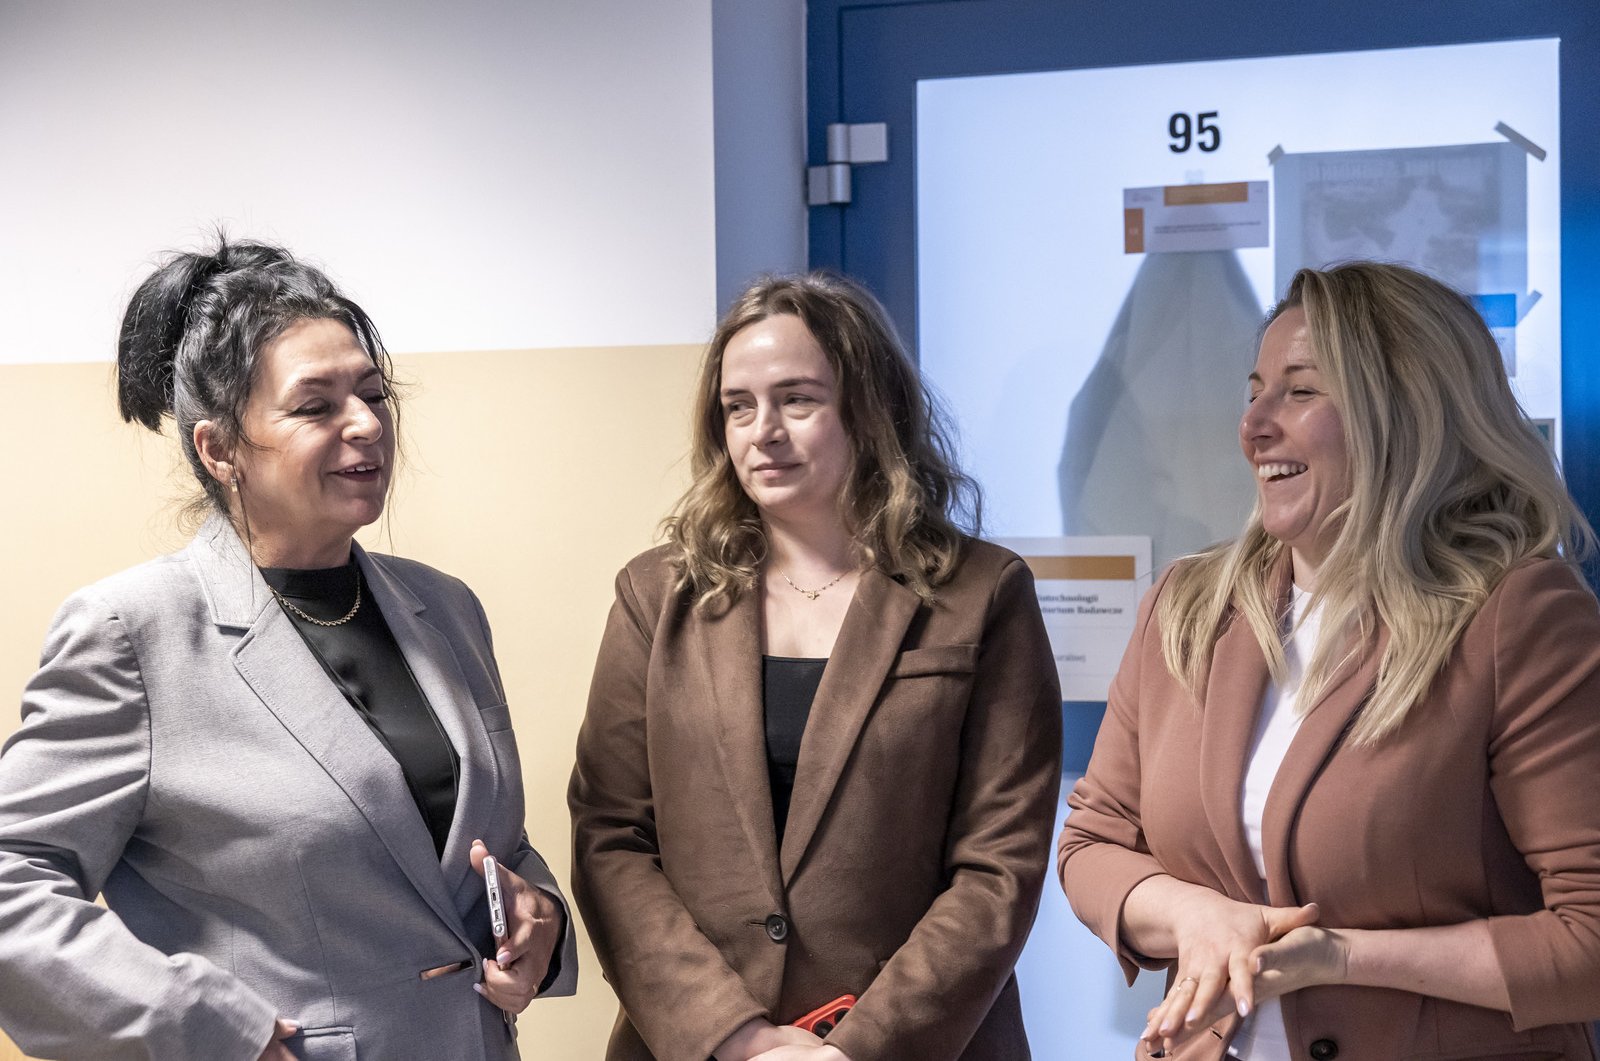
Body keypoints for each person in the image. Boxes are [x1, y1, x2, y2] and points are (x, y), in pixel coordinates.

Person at [0, 239, 577, 1061]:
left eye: (372, 394)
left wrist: (541, 918)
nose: (367, 424)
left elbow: (474, 847)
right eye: (315, 407)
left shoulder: (446, 609)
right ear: (219, 450)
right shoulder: (133, 632)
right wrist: (200, 1026)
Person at [1057, 261, 1600, 1060]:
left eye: (1300, 392)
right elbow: (1091, 845)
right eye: (1254, 392)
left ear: (1404, 413)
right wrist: (1194, 916)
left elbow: (1589, 939)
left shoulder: (1517, 616)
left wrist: (1340, 957)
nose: (1253, 425)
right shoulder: (1186, 605)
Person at [569, 272, 1063, 1061]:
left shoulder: (982, 594)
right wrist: (734, 1036)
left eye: (796, 399)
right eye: (738, 406)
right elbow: (611, 837)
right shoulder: (656, 595)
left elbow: (999, 864)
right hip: (701, 1046)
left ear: (870, 408)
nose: (762, 431)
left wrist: (852, 1050)